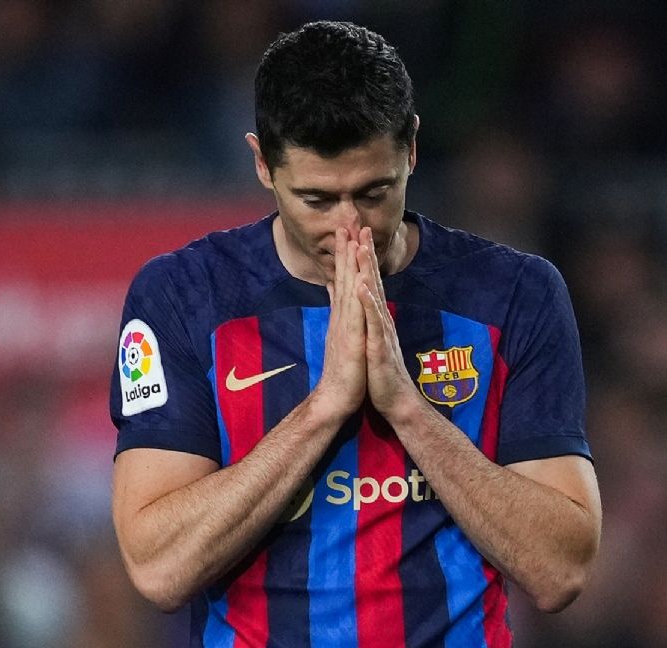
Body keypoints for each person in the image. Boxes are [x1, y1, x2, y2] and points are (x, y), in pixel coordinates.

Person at [110, 20, 601, 647]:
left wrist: (407, 407)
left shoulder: (514, 296)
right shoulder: (183, 298)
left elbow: (561, 571)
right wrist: (325, 408)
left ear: (412, 148)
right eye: (317, 200)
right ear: (262, 163)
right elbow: (159, 570)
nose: (351, 228)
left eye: (375, 192)